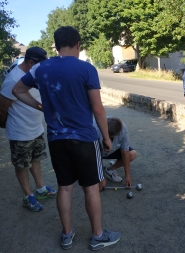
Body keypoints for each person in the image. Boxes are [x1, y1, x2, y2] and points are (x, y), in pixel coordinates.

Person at [12, 26, 121, 250]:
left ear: (56, 44)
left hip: (56, 139)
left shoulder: (40, 68)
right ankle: (98, 236)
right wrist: (106, 137)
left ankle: (67, 234)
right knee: (90, 188)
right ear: (78, 44)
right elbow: (98, 109)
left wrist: (40, 106)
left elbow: (17, 90)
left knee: (65, 187)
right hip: (84, 138)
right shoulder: (86, 69)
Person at [0, 47, 57, 212]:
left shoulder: (35, 74)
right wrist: (5, 125)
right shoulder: (13, 79)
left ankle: (40, 189)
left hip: (36, 129)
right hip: (20, 132)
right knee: (22, 164)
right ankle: (27, 196)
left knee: (35, 159)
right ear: (31, 62)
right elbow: (2, 108)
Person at [93, 117, 137, 187]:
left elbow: (125, 154)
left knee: (132, 154)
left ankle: (110, 170)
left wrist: (127, 176)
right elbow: (93, 154)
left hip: (114, 149)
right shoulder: (95, 128)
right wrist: (100, 178)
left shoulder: (123, 130)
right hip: (96, 151)